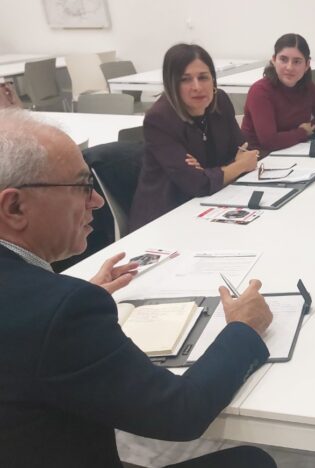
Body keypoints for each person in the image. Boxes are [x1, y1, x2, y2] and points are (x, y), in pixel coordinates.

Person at [0, 109, 276, 467]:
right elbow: (180, 412)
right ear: (14, 207)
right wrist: (243, 328)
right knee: (252, 461)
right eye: (82, 187)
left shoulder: (44, 304)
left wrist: (61, 300)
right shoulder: (59, 312)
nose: (97, 201)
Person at [129, 43, 257, 231]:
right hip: (166, 218)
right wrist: (238, 166)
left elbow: (243, 150)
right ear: (172, 84)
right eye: (185, 79)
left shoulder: (220, 101)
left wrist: (211, 172)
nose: (197, 87)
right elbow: (198, 184)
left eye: (203, 77)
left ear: (213, 79)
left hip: (215, 203)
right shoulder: (159, 118)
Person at [241, 33, 315, 154]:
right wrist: (302, 132)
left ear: (307, 65)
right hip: (260, 157)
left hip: (294, 151)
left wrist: (308, 129)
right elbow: (269, 141)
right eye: (283, 60)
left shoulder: (308, 87)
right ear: (274, 60)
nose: (289, 67)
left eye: (297, 61)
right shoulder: (260, 91)